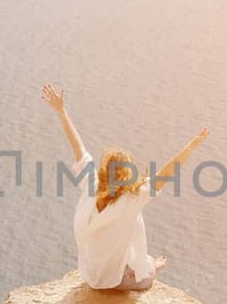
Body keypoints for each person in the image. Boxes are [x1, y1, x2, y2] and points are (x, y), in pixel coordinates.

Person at [40, 84, 208, 291]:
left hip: (90, 276)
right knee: (147, 273)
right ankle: (152, 266)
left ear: (103, 169)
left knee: (127, 232)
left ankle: (144, 263)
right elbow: (166, 173)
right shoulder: (131, 199)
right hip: (115, 282)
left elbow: (78, 147)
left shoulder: (91, 184)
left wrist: (61, 111)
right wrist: (190, 147)